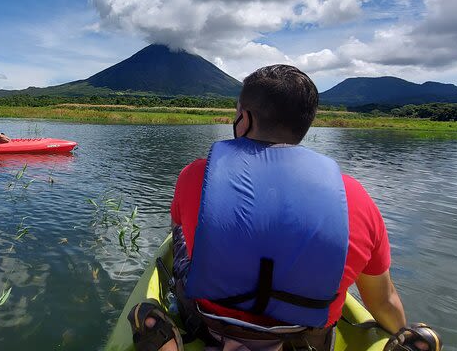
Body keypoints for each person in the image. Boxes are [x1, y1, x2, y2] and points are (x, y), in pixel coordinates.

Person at [133, 65, 439, 351]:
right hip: (306, 335)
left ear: (245, 118)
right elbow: (383, 300)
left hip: (211, 323)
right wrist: (396, 331)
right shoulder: (355, 196)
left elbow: (187, 228)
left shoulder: (195, 175)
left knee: (179, 238)